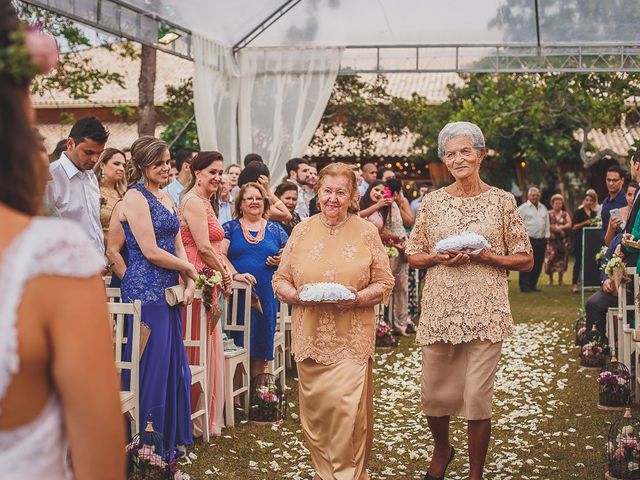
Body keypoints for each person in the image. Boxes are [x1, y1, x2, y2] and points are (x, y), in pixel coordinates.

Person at [0, 5, 124, 478]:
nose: (95, 160)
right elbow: (99, 458)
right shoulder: (50, 252)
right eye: (91, 153)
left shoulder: (90, 184)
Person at [406, 122, 532, 480]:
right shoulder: (432, 202)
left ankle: (475, 472)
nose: (458, 159)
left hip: (486, 311)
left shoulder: (502, 201)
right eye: (450, 154)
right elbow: (413, 254)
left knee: (477, 398)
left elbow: (525, 259)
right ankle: (443, 449)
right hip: (440, 311)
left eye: (465, 151)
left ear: (481, 155)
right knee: (434, 394)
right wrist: (436, 257)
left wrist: (486, 256)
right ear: (445, 161)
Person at [273, 163, 394, 480]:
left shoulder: (367, 231)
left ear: (352, 195)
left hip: (351, 338)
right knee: (318, 415)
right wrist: (297, 296)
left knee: (346, 412)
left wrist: (356, 299)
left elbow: (384, 283)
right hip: (310, 337)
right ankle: (325, 470)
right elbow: (280, 280)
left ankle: (344, 475)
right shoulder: (301, 230)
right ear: (317, 193)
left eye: (341, 192)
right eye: (327, 191)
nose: (333, 198)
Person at [116, 136, 198, 460]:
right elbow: (150, 252)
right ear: (143, 166)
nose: (166, 168)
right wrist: (190, 268)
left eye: (167, 163)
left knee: (173, 369)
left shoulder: (166, 196)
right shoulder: (134, 198)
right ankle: (143, 444)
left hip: (168, 292)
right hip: (144, 292)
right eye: (158, 164)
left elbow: (177, 243)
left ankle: (163, 442)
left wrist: (189, 280)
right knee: (151, 367)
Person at [179, 151, 233, 437]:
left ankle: (206, 417)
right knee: (196, 343)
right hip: (196, 275)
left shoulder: (205, 202)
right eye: (212, 171)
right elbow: (202, 246)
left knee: (208, 341)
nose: (218, 177)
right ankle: (192, 417)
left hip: (207, 275)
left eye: (220, 172)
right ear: (196, 172)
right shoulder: (192, 202)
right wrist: (224, 274)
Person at [221, 183, 288, 379]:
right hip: (238, 294)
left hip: (266, 293)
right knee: (237, 341)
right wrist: (235, 275)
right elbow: (221, 255)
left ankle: (259, 391)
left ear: (264, 203)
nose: (254, 202)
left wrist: (281, 258)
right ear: (240, 204)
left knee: (261, 340)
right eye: (249, 198)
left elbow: (290, 253)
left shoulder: (275, 229)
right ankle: (237, 395)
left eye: (258, 198)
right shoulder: (230, 228)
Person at [46, 116, 109, 254]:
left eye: (100, 153)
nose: (95, 159)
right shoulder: (49, 178)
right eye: (88, 152)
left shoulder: (91, 176)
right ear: (70, 144)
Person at [385, 178, 416, 336]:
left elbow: (410, 221)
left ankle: (402, 323)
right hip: (390, 249)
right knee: (389, 288)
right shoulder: (385, 205)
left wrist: (400, 202)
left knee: (402, 287)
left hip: (402, 248)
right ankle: (389, 324)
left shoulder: (398, 204)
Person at [517, 187, 549, 292]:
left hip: (541, 240)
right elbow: (517, 224)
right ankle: (524, 286)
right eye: (533, 195)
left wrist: (547, 236)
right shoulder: (523, 208)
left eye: (537, 195)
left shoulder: (543, 208)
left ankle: (533, 285)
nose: (535, 197)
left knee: (538, 263)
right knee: (527, 263)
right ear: (529, 196)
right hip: (528, 240)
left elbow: (547, 223)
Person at [94, 147, 127, 241]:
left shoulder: (125, 194)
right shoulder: (93, 192)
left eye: (123, 166)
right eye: (117, 164)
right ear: (102, 165)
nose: (121, 169)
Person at [571, 190, 598, 293]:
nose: (589, 202)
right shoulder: (579, 212)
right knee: (578, 262)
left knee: (589, 262)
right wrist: (584, 223)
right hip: (579, 240)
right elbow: (573, 227)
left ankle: (587, 283)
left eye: (591, 200)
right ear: (584, 201)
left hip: (589, 241)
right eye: (587, 200)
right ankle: (574, 284)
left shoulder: (594, 213)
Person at [544, 193, 572, 286]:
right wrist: (553, 228)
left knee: (562, 259)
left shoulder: (565, 214)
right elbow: (545, 224)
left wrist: (561, 228)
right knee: (551, 259)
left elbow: (569, 224)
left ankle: (560, 280)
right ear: (552, 204)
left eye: (560, 203)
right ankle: (551, 280)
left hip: (562, 240)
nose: (558, 205)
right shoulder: (548, 213)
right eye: (556, 203)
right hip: (551, 240)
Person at [604, 181, 638, 247]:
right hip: (616, 251)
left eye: (635, 195)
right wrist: (612, 228)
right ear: (625, 195)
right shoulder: (619, 212)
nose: (632, 198)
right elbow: (608, 242)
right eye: (629, 194)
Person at [601, 165, 627, 240]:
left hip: (620, 246)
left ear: (622, 181)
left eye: (615, 180)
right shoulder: (605, 202)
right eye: (608, 180)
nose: (611, 183)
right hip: (605, 246)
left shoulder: (627, 201)